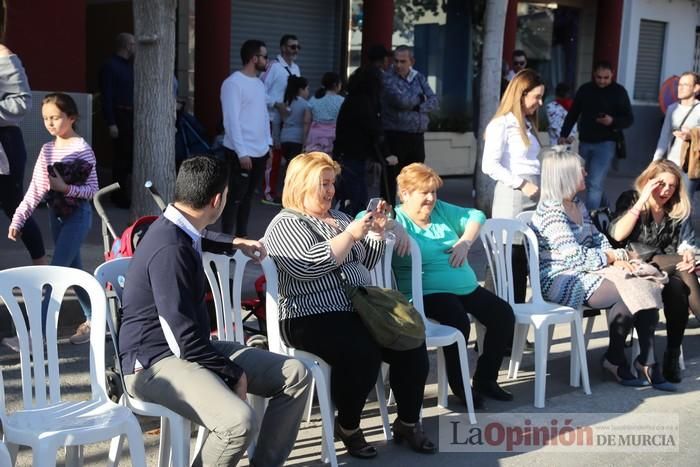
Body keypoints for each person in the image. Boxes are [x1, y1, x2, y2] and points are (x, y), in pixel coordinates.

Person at [119, 155, 310, 466]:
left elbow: (200, 238)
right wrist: (233, 374)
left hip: (186, 350)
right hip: (154, 363)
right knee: (238, 423)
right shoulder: (171, 249)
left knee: (294, 374)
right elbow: (183, 340)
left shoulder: (179, 228)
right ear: (218, 200)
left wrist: (236, 242)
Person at [264, 152, 436, 458]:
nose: (331, 190)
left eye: (332, 183)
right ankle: (348, 426)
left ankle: (408, 422)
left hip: (357, 309)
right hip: (308, 315)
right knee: (362, 352)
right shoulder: (285, 223)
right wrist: (350, 235)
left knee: (409, 340)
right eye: (324, 184)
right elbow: (306, 266)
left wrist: (377, 232)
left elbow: (363, 262)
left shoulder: (341, 218)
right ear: (301, 185)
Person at [530, 147, 674, 391]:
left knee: (644, 283)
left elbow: (598, 239)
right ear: (564, 176)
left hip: (589, 271)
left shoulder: (577, 204)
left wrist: (615, 257)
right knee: (631, 288)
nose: (586, 173)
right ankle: (625, 360)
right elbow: (574, 257)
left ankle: (629, 359)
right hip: (559, 277)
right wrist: (612, 256)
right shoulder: (552, 212)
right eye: (580, 170)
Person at [392, 163, 515, 406]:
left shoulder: (440, 211)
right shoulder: (396, 217)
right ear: (405, 193)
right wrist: (393, 225)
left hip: (465, 287)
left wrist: (465, 242)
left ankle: (486, 379)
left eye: (433, 192)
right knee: (457, 318)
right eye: (424, 193)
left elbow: (476, 215)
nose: (431, 198)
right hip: (425, 292)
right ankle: (459, 385)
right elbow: (364, 217)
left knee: (503, 314)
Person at [9, 93, 99, 346]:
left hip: (79, 216)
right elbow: (36, 189)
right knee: (73, 270)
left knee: (54, 273)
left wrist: (65, 189)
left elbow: (93, 190)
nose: (50, 123)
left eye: (55, 117)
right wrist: (18, 219)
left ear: (71, 117)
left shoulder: (83, 149)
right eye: (45, 118)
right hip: (55, 216)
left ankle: (35, 334)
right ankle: (95, 318)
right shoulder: (47, 149)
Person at [608, 160, 699, 383]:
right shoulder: (630, 199)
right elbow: (618, 235)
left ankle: (671, 354)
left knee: (679, 284)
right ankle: (669, 356)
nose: (667, 191)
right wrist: (642, 200)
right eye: (661, 184)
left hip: (666, 272)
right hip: (634, 267)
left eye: (672, 186)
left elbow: (689, 243)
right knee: (683, 272)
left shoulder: (676, 209)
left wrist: (688, 255)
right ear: (649, 182)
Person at [482, 69, 545, 304]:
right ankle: (491, 335)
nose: (539, 103)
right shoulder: (502, 124)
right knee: (505, 263)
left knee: (520, 264)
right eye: (536, 97)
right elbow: (489, 165)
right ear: (521, 94)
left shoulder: (526, 124)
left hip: (532, 196)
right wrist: (521, 184)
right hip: (513, 195)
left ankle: (514, 335)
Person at [559, 60, 634, 210]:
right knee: (584, 180)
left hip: (606, 143)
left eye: (606, 78)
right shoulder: (585, 90)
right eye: (599, 77)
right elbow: (573, 113)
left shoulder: (619, 92)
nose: (602, 81)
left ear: (612, 75)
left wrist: (612, 121)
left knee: (594, 181)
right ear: (594, 75)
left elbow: (629, 119)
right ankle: (604, 207)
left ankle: (591, 218)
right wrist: (563, 134)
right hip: (585, 141)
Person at [220, 39, 272, 237]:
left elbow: (264, 115)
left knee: (249, 198)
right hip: (239, 153)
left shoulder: (259, 84)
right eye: (264, 56)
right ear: (253, 58)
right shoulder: (233, 83)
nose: (267, 61)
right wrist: (242, 153)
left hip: (260, 150)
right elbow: (231, 121)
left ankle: (242, 238)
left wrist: (268, 145)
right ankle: (226, 240)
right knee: (234, 198)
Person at [382, 45, 439, 206]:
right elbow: (400, 101)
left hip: (416, 135)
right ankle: (390, 211)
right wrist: (420, 99)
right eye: (396, 61)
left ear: (411, 61)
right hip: (396, 134)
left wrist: (418, 104)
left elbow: (434, 101)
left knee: (417, 176)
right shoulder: (388, 78)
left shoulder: (418, 77)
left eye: (403, 61)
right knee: (394, 178)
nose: (398, 65)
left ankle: (412, 209)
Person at [334, 66, 395, 216]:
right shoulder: (365, 102)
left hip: (346, 152)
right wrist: (386, 154)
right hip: (356, 154)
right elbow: (374, 129)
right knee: (358, 196)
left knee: (352, 193)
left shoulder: (351, 100)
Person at [261, 34, 301, 206]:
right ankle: (268, 192)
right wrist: (276, 104)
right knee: (273, 157)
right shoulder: (273, 66)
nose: (296, 50)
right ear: (283, 47)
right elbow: (260, 89)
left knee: (290, 158)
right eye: (292, 47)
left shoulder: (296, 68)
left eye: (298, 47)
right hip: (271, 118)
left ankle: (284, 193)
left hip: (289, 120)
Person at [99, 32, 135, 209]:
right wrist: (111, 122)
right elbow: (107, 95)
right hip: (119, 114)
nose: (135, 47)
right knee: (121, 158)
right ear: (126, 46)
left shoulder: (130, 67)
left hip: (131, 115)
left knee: (129, 157)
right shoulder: (110, 66)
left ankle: (125, 193)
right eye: (132, 44)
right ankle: (118, 196)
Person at [653, 71, 700, 195]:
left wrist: (691, 135)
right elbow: (664, 136)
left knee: (685, 200)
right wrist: (656, 160)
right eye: (679, 85)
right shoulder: (672, 108)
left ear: (696, 88)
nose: (680, 88)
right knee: (668, 198)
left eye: (685, 85)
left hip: (690, 164)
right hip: (671, 162)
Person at [304, 72, 344, 155]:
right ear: (335, 84)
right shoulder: (342, 101)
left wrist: (304, 140)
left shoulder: (314, 99)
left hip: (315, 137)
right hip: (333, 137)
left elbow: (306, 121)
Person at [280, 75, 309, 161]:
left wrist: (276, 140)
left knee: (288, 164)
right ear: (301, 90)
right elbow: (306, 123)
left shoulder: (284, 103)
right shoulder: (306, 104)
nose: (308, 91)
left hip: (284, 138)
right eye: (307, 89)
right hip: (298, 139)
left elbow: (276, 122)